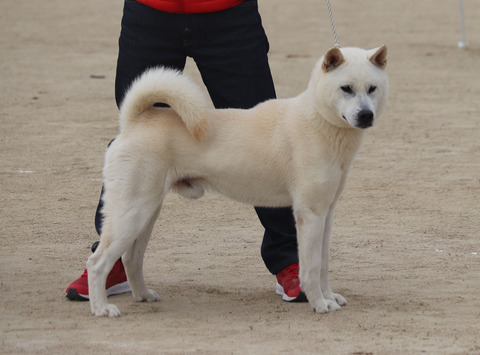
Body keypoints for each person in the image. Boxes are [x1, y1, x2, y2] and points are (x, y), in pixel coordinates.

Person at [66, 0, 306, 303]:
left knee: (262, 139)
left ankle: (289, 259)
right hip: (149, 11)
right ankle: (112, 259)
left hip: (229, 13)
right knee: (140, 138)